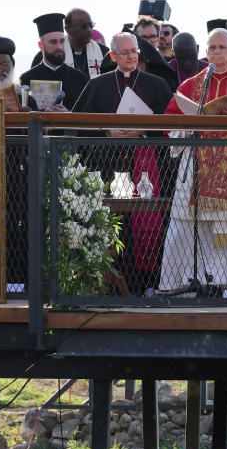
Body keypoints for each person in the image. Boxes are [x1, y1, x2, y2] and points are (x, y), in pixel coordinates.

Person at [159, 28, 227, 291]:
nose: (217, 52)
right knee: (187, 229)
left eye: (222, 47)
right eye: (212, 48)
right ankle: (184, 282)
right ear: (205, 52)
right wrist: (191, 123)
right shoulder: (191, 85)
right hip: (198, 165)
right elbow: (169, 124)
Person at [74, 32, 173, 293]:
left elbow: (171, 125)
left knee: (144, 223)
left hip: (147, 169)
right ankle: (106, 283)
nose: (131, 56)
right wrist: (106, 131)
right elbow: (77, 124)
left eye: (134, 51)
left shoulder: (156, 84)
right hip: (107, 166)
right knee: (112, 224)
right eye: (125, 53)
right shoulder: (98, 85)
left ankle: (146, 284)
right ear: (113, 56)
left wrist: (143, 131)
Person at [21, 13, 90, 112]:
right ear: (41, 45)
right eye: (53, 42)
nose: (59, 47)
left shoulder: (80, 78)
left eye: (62, 41)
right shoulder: (26, 79)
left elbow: (87, 114)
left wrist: (69, 116)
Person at [31, 8, 113, 77]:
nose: (89, 30)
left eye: (91, 25)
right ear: (68, 29)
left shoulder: (104, 52)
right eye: (83, 26)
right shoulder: (47, 55)